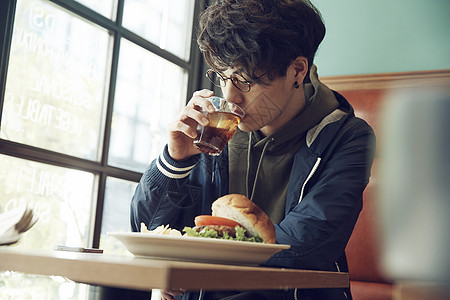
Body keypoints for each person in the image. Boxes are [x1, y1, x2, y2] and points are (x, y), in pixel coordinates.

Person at [130, 0, 375, 299]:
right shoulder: (215, 133)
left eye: (244, 81)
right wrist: (175, 162)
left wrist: (197, 265)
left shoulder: (348, 137)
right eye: (222, 77)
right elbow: (149, 229)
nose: (230, 97)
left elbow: (306, 245)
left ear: (297, 71)